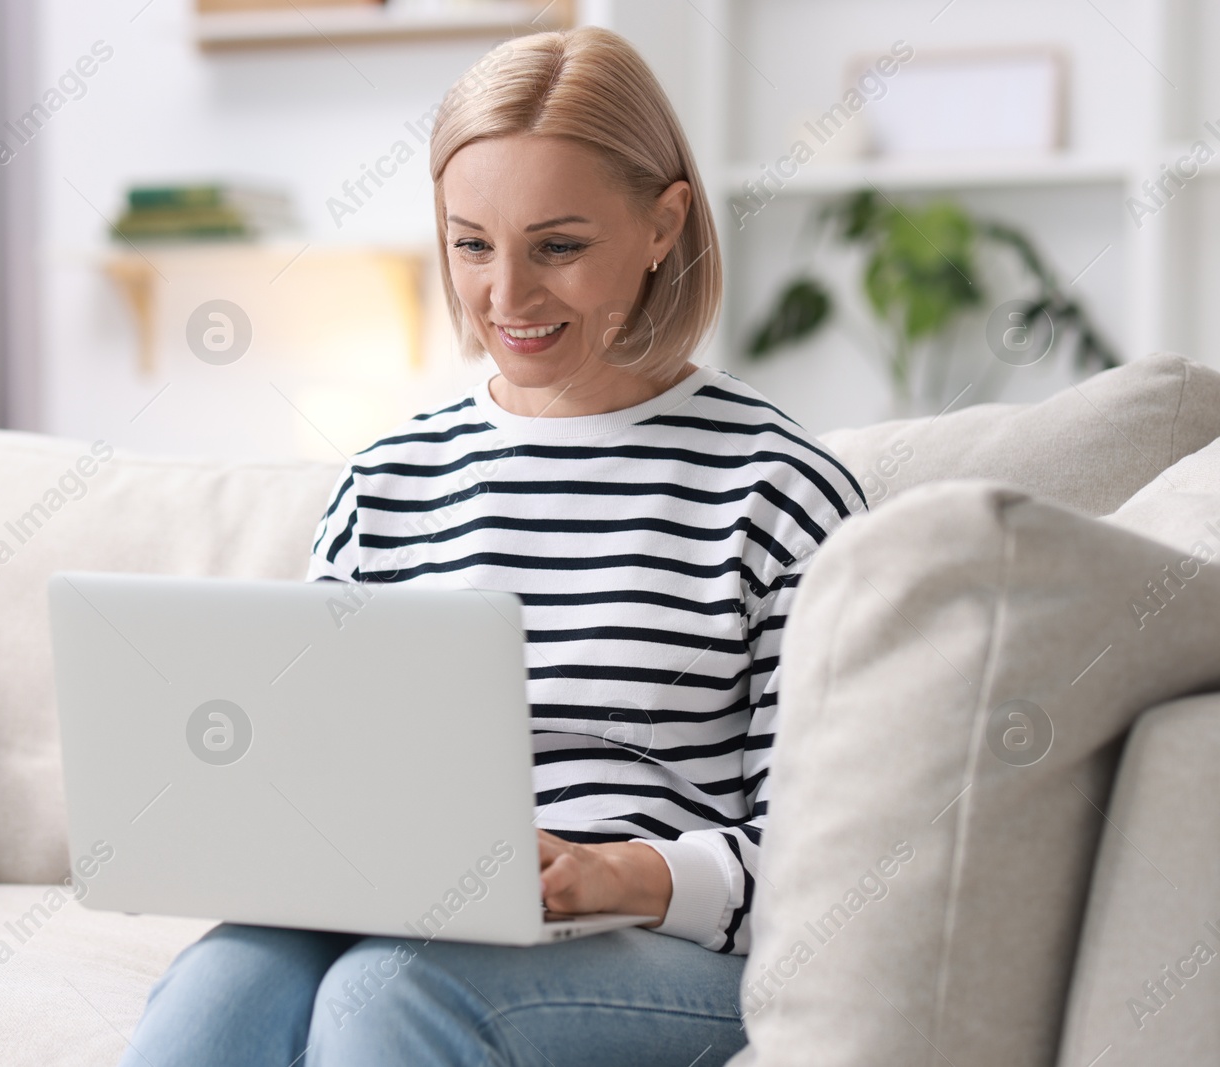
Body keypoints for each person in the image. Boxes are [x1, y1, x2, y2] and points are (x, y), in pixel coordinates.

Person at [120, 25, 866, 1067]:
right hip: (416, 920)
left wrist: (621, 874)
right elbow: (311, 792)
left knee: (393, 989)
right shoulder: (387, 484)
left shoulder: (776, 488)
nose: (507, 299)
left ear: (663, 224)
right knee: (222, 987)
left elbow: (839, 859)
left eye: (557, 246)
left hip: (667, 952)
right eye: (472, 244)